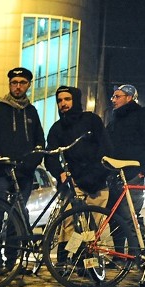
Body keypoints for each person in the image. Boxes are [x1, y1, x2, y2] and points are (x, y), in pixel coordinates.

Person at [0, 67, 45, 274]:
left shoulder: (31, 111)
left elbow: (40, 142)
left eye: (22, 83)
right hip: (0, 171)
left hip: (24, 174)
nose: (18, 86)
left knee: (17, 216)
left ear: (28, 85)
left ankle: (12, 259)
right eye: (14, 82)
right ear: (9, 84)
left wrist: (31, 163)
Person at [44, 86, 114, 267]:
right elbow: (50, 155)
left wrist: (98, 174)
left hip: (97, 182)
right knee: (70, 225)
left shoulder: (92, 121)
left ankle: (87, 263)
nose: (63, 104)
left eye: (67, 99)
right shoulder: (58, 128)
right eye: (59, 100)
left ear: (75, 100)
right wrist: (59, 173)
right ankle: (69, 259)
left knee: (92, 229)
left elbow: (106, 150)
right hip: (73, 184)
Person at [106, 84, 145, 240]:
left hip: (133, 173)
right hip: (114, 173)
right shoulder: (115, 120)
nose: (113, 100)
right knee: (115, 215)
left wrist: (143, 170)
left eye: (117, 96)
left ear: (129, 98)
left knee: (130, 215)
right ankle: (120, 256)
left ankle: (135, 255)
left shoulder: (143, 118)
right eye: (113, 96)